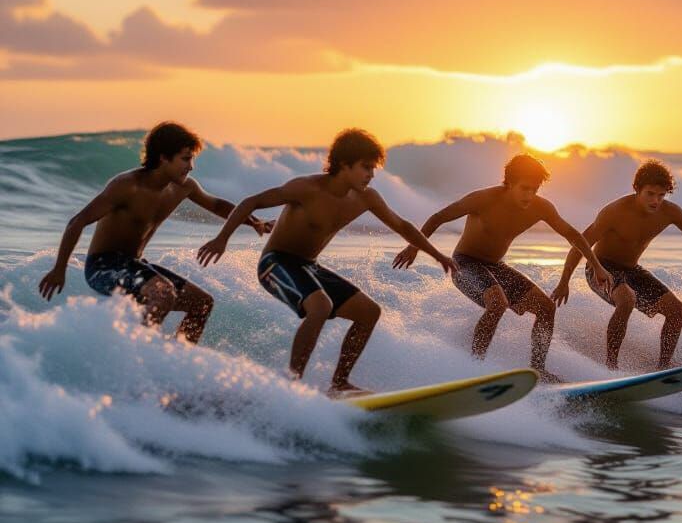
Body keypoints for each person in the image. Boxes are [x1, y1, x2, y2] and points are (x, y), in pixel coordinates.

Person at [197, 128, 455, 396]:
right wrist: (222, 239)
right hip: (275, 263)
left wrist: (438, 255)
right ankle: (291, 384)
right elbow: (251, 202)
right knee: (320, 306)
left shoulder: (366, 198)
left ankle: (339, 383)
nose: (371, 175)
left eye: (373, 169)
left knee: (369, 312)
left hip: (309, 266)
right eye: (366, 167)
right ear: (344, 165)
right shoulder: (306, 188)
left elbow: (402, 225)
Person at [38, 121, 269, 342]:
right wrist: (59, 269)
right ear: (163, 157)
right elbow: (77, 222)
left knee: (202, 303)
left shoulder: (184, 187)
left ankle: (177, 357)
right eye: (186, 159)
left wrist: (255, 222)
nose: (191, 166)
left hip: (135, 263)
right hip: (103, 266)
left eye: (192, 159)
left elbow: (217, 205)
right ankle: (139, 354)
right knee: (164, 293)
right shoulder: (127, 185)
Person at [392, 153, 613, 382]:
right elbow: (439, 217)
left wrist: (596, 265)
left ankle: (538, 369)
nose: (530, 195)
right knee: (498, 303)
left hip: (495, 266)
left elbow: (572, 234)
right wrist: (414, 247)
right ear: (509, 184)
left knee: (546, 308)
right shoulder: (483, 199)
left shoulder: (540, 207)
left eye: (535, 189)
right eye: (525, 188)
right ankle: (473, 368)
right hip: (465, 264)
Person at [552, 159, 682, 370]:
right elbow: (580, 245)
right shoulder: (614, 212)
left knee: (675, 309)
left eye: (661, 195)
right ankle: (611, 366)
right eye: (650, 194)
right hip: (600, 268)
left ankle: (663, 367)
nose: (656, 201)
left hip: (631, 269)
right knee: (627, 299)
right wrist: (564, 281)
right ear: (637, 189)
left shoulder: (670, 212)